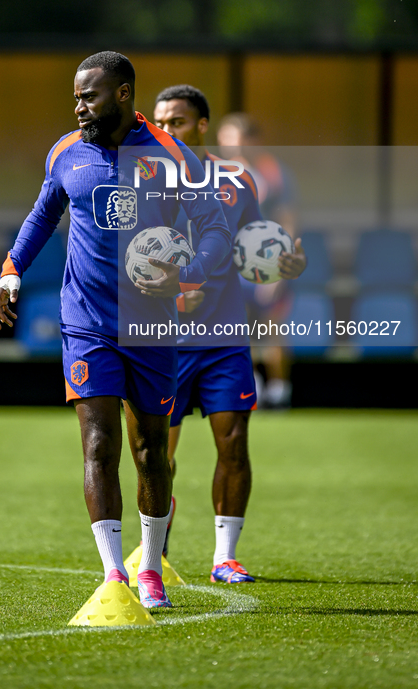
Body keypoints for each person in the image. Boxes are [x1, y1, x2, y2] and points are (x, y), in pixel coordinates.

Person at [0, 52, 232, 609]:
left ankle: (149, 566)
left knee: (151, 450)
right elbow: (41, 216)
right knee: (99, 443)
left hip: (151, 324)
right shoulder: (66, 152)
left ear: (123, 94)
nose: (79, 107)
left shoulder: (172, 156)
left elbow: (215, 227)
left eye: (89, 96)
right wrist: (10, 271)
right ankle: (112, 575)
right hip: (86, 322)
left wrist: (189, 272)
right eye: (75, 96)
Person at [153, 86, 306, 583]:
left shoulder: (238, 180)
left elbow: (254, 245)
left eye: (177, 121)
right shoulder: (140, 179)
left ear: (202, 126)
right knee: (158, 454)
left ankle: (225, 557)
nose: (166, 130)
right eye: (160, 122)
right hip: (161, 342)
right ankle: (155, 552)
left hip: (223, 337)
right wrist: (173, 298)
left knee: (234, 444)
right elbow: (126, 257)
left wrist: (283, 263)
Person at [217, 112, 300, 408]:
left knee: (271, 328)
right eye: (224, 139)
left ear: (252, 141)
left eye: (235, 138)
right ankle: (252, 386)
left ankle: (280, 391)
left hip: (266, 264)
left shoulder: (274, 174)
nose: (229, 145)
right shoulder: (219, 173)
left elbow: (287, 221)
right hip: (230, 267)